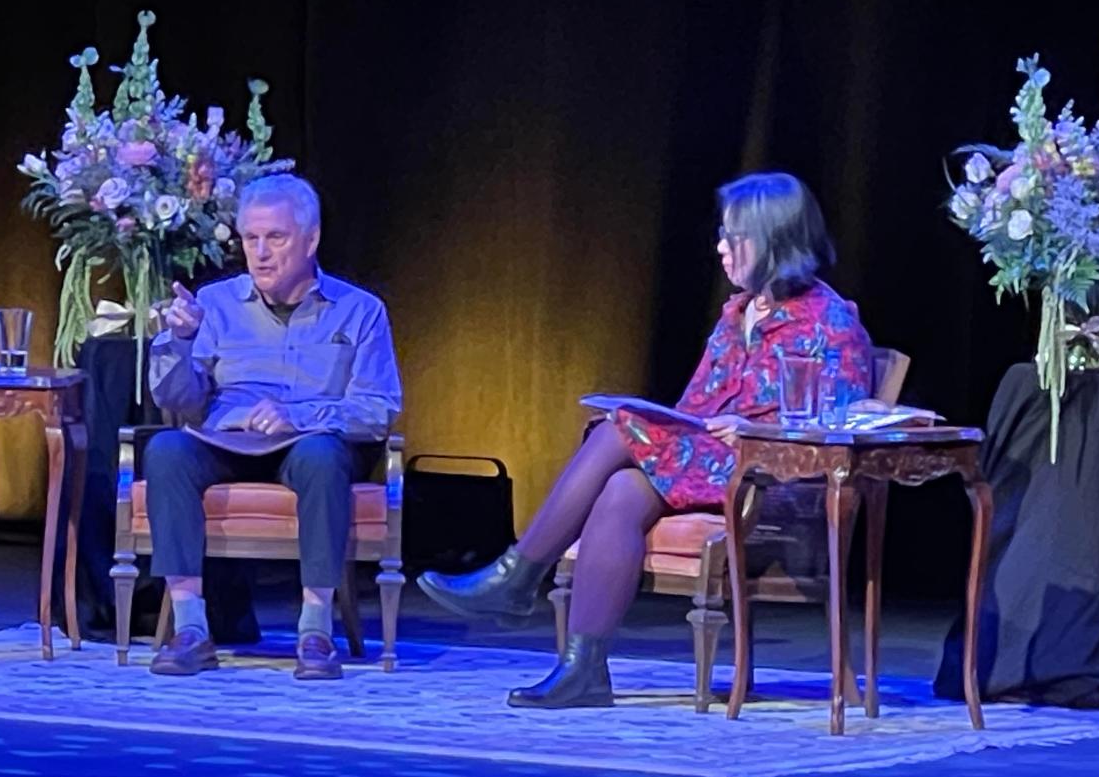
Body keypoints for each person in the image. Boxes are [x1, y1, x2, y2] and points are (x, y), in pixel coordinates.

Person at [418, 171, 873, 708]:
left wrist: (747, 429)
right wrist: (680, 427)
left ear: (773, 238)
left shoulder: (831, 321)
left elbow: (839, 428)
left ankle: (516, 577)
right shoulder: (737, 314)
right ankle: (583, 669)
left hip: (772, 481)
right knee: (622, 492)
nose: (720, 248)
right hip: (708, 462)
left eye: (734, 237)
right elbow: (695, 407)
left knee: (619, 431)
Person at [143, 173, 402, 680]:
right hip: (227, 440)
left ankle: (315, 630)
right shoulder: (214, 305)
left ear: (311, 239)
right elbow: (178, 400)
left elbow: (379, 408)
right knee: (167, 449)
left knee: (322, 457)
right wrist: (176, 342)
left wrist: (301, 418)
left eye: (276, 238)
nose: (260, 253)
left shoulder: (361, 311)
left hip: (310, 445)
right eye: (250, 239)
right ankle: (191, 629)